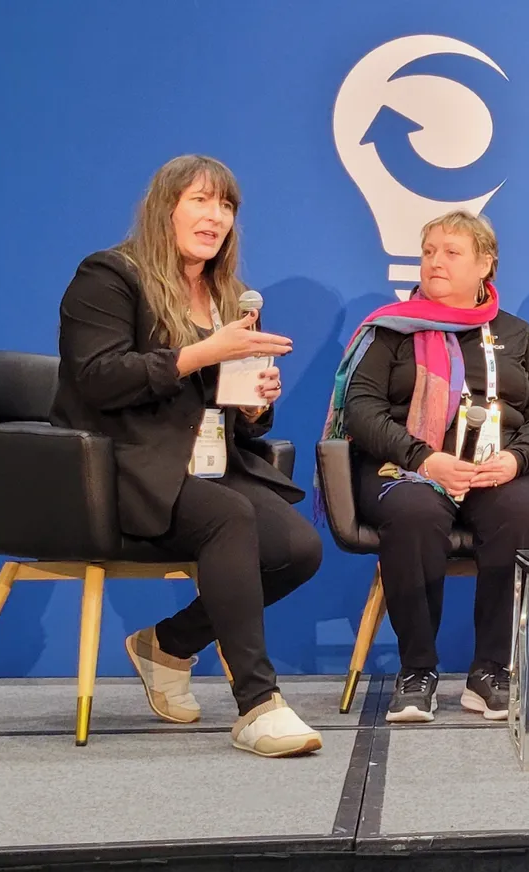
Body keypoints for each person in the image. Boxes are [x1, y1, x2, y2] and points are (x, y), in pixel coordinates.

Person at [52, 155, 323, 758]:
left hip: (207, 461)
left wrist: (254, 403)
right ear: (164, 207)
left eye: (225, 206)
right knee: (231, 517)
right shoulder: (108, 276)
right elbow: (97, 378)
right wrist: (201, 353)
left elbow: (219, 402)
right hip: (125, 467)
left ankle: (168, 645)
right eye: (200, 200)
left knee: (297, 551)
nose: (214, 216)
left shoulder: (228, 295)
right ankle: (258, 705)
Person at [323, 210, 529, 723]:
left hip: (490, 470)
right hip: (404, 468)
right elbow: (360, 408)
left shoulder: (517, 334)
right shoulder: (392, 327)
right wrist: (425, 459)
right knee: (414, 512)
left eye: (451, 253)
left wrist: (514, 460)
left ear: (485, 264)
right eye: (429, 251)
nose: (435, 262)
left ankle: (492, 670)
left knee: (520, 511)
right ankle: (417, 671)